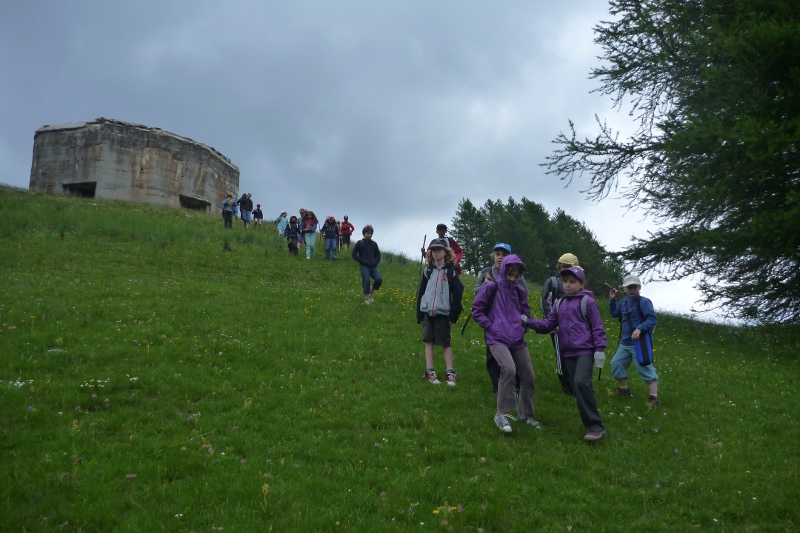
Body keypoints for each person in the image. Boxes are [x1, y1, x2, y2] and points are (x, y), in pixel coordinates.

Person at [523, 266, 607, 442]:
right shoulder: (559, 303)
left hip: (585, 350)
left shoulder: (588, 302)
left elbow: (598, 327)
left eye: (572, 282)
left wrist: (600, 350)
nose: (567, 285)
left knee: (580, 383)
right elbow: (547, 325)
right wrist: (527, 321)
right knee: (579, 388)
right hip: (567, 353)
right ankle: (592, 425)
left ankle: (595, 427)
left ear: (582, 284)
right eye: (565, 281)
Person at [472, 254, 540, 433]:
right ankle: (502, 413)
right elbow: (477, 310)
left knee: (528, 376)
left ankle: (526, 415)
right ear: (504, 271)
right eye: (510, 274)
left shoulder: (520, 291)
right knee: (508, 369)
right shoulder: (491, 287)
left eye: (516, 275)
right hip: (497, 338)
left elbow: (526, 312)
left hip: (517, 339)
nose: (513, 278)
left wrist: (522, 327)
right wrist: (490, 326)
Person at [475, 243, 527, 394]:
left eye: (503, 254)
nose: (500, 257)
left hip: (512, 321)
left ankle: (515, 385)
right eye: (497, 254)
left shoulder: (517, 273)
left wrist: (523, 322)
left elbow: (524, 294)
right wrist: (485, 285)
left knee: (513, 353)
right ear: (493, 255)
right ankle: (497, 387)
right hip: (492, 319)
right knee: (492, 355)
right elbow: (476, 293)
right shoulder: (486, 272)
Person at [417, 238, 465, 387]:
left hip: (443, 312)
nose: (436, 252)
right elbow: (421, 292)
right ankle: (429, 371)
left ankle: (450, 372)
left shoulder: (451, 273)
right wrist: (419, 313)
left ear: (446, 252)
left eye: (439, 249)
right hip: (427, 311)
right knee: (429, 340)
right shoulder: (428, 272)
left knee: (445, 342)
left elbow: (458, 293)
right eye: (434, 250)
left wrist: (454, 314)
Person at [609, 274, 660, 406]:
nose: (632, 289)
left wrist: (640, 328)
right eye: (629, 287)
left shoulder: (644, 302)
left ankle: (653, 398)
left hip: (640, 342)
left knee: (645, 367)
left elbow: (652, 319)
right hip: (625, 343)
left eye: (634, 287)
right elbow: (614, 313)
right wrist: (612, 300)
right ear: (624, 288)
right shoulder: (623, 303)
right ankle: (623, 390)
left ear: (639, 287)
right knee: (616, 364)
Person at [541, 252, 581, 396]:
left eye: (569, 266)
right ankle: (568, 387)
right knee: (561, 357)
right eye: (563, 266)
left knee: (577, 356)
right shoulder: (552, 282)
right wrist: (552, 323)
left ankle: (579, 385)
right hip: (558, 328)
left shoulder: (577, 283)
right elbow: (546, 302)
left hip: (576, 329)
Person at [351, 225, 382, 303]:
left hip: (373, 266)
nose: (369, 234)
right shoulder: (360, 243)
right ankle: (367, 298)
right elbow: (354, 254)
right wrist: (360, 260)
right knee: (366, 280)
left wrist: (375, 262)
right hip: (364, 266)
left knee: (379, 279)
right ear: (363, 234)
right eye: (367, 233)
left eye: (371, 233)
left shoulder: (374, 244)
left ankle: (372, 289)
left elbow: (378, 255)